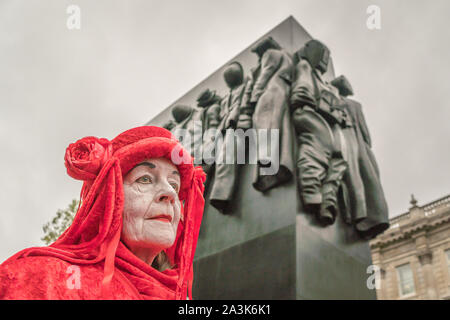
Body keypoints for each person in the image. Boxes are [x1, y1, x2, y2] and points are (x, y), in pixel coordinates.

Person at [0, 126, 206, 299]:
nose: (169, 193)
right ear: (105, 201)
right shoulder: (39, 278)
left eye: (175, 185)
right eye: (145, 179)